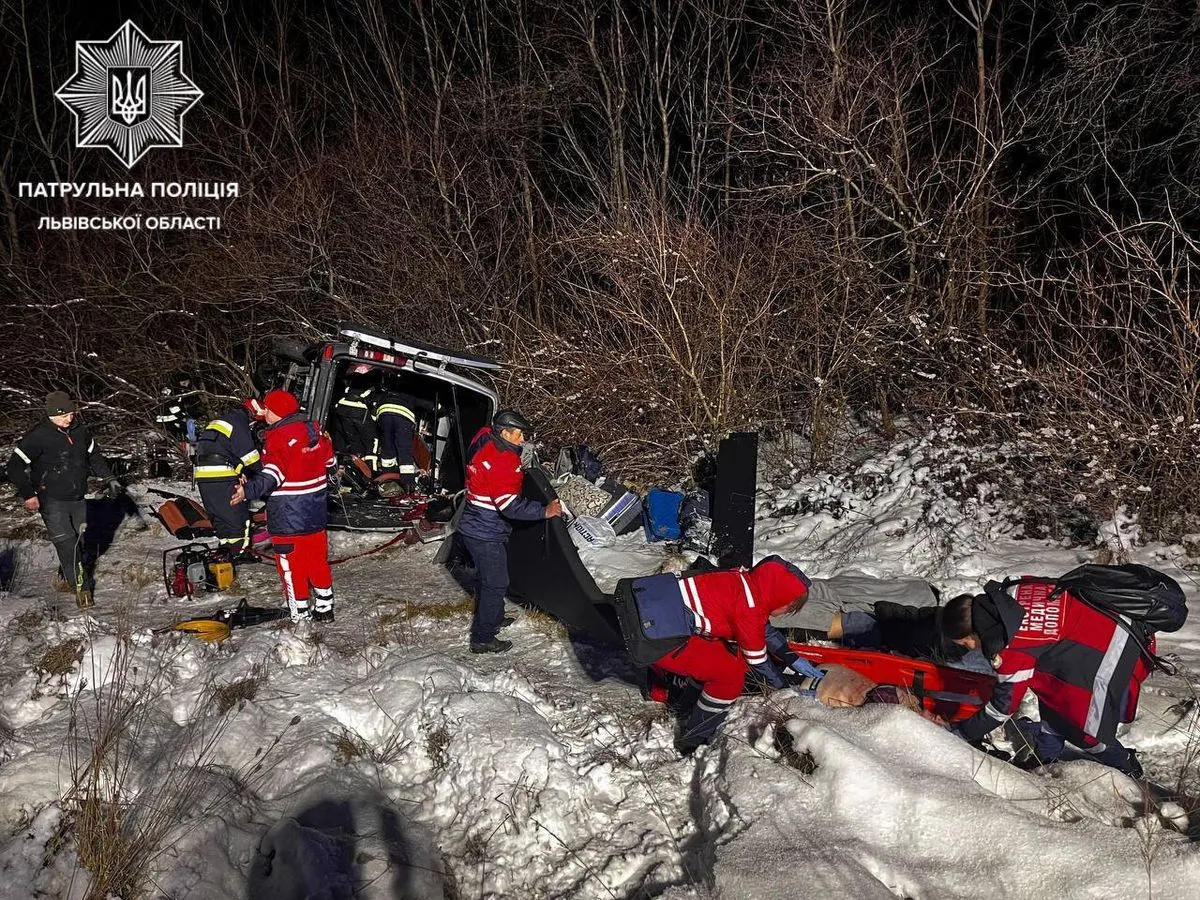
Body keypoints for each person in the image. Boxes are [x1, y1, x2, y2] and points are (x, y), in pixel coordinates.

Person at [613, 556, 819, 753]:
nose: (788, 611)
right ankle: (694, 738)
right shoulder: (749, 607)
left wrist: (790, 657)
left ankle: (686, 702)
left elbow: (762, 630)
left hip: (655, 611)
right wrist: (784, 687)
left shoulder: (743, 582)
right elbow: (757, 659)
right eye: (790, 606)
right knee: (729, 677)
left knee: (729, 659)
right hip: (658, 636)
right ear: (779, 595)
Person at [939, 583, 1150, 775]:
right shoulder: (1009, 595)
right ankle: (1047, 757)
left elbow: (1002, 708)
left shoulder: (1011, 644)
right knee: (1052, 699)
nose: (969, 650)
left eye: (966, 644)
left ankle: (1124, 762)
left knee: (1085, 728)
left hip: (1113, 651)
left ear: (974, 633)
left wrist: (961, 733)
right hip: (1107, 626)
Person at [458, 409, 562, 653]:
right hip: (485, 531)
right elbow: (509, 506)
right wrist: (544, 511)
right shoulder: (503, 459)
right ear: (504, 432)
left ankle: (493, 617)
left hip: (475, 522)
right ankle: (483, 638)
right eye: (519, 435)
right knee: (495, 583)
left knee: (492, 577)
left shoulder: (484, 436)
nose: (523, 440)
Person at [6, 391, 122, 608]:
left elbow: (94, 455)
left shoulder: (80, 432)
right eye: (63, 415)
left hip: (77, 497)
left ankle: (68, 571)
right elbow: (13, 466)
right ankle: (81, 588)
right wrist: (28, 493)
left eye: (71, 414)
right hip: (51, 498)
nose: (69, 418)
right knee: (68, 543)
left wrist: (109, 478)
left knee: (80, 541)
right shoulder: (38, 436)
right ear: (51, 415)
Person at [232, 390, 336, 622]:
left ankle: (299, 615)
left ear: (277, 413)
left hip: (289, 518)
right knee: (317, 562)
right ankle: (324, 607)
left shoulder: (278, 439)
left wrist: (247, 491)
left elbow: (273, 474)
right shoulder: (315, 431)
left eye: (268, 409)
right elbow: (330, 461)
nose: (264, 413)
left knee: (291, 568)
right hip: (315, 514)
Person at [194, 398, 265, 559]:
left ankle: (225, 550)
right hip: (222, 474)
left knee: (220, 516)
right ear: (253, 415)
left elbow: (225, 450)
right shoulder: (239, 423)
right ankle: (240, 554)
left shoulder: (221, 421)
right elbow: (250, 457)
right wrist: (264, 476)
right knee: (237, 517)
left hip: (204, 475)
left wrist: (241, 471)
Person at [371, 382, 436, 487]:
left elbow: (374, 407)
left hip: (384, 415)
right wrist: (440, 408)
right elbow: (428, 404)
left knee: (387, 447)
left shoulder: (387, 393)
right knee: (404, 449)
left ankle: (388, 479)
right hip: (402, 418)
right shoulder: (410, 394)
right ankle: (408, 484)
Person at [330, 369, 378, 463]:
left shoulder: (352, 382)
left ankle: (356, 462)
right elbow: (374, 407)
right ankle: (370, 468)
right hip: (358, 411)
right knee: (371, 441)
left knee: (353, 439)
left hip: (342, 409)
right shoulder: (374, 387)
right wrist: (373, 422)